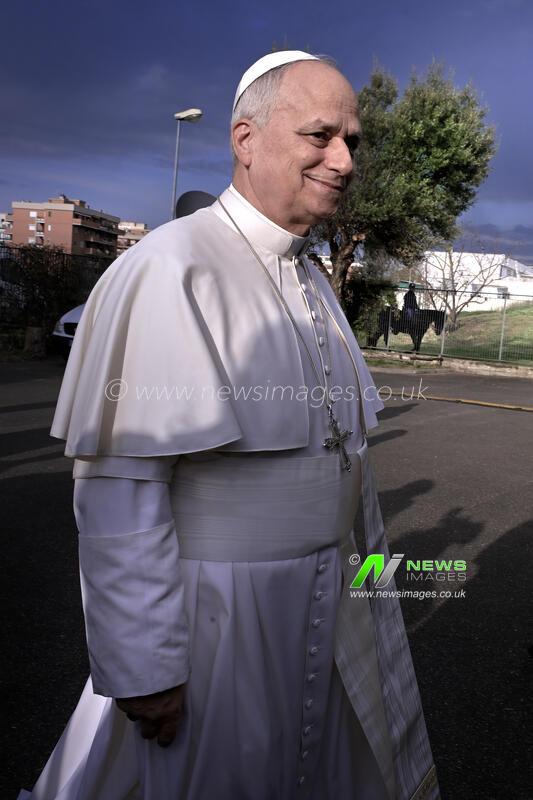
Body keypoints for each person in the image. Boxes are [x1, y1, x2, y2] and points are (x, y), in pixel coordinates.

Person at [18, 52, 440, 800]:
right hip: (217, 626)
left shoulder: (308, 273)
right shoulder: (168, 266)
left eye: (351, 140)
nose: (342, 160)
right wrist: (145, 666)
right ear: (245, 139)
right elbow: (120, 487)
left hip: (324, 604)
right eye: (319, 135)